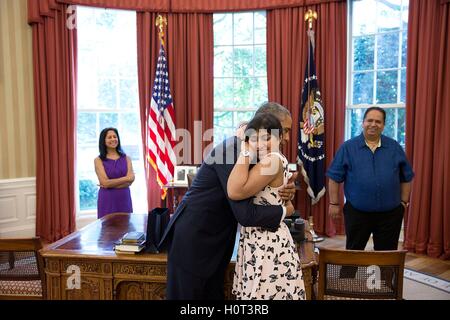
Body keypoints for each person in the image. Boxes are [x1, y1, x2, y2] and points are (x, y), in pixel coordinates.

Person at [158, 102, 297, 300]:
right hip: (194, 238)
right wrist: (286, 211)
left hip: (219, 236)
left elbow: (259, 191)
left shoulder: (257, 150)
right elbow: (245, 214)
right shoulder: (231, 151)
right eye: (284, 131)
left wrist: (283, 191)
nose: (288, 138)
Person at [228, 113, 305, 300]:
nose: (262, 143)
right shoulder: (269, 158)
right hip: (257, 239)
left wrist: (246, 149)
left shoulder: (272, 159)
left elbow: (235, 191)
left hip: (267, 243)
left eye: (268, 137)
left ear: (279, 138)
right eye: (257, 137)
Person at [326, 106, 414, 251]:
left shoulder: (394, 147)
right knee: (354, 252)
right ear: (363, 122)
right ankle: (351, 274)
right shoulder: (348, 148)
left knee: (387, 256)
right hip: (357, 213)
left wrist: (403, 202)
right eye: (370, 120)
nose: (373, 124)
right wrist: (334, 203)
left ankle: (383, 275)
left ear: (383, 125)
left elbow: (407, 177)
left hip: (390, 215)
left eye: (378, 122)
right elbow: (334, 178)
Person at [94, 127, 134, 219]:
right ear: (103, 141)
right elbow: (105, 183)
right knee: (108, 230)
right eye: (109, 137)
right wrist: (126, 178)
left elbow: (131, 180)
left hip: (124, 198)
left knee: (126, 228)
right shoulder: (98, 160)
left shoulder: (127, 158)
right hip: (107, 199)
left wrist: (109, 184)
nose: (113, 139)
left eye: (115, 137)